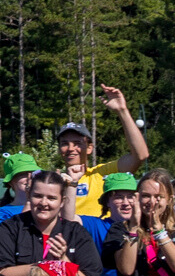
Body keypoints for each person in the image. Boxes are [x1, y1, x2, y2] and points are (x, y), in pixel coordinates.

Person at [0, 170, 105, 276]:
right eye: (38, 196)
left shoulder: (76, 233)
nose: (44, 203)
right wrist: (47, 268)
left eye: (51, 198)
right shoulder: (10, 228)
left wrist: (63, 262)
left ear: (62, 201)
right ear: (29, 195)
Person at [52, 87, 152, 217]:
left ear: (90, 148)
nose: (71, 148)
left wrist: (122, 111)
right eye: (65, 144)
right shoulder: (54, 180)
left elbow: (141, 155)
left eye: (77, 143)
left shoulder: (102, 173)